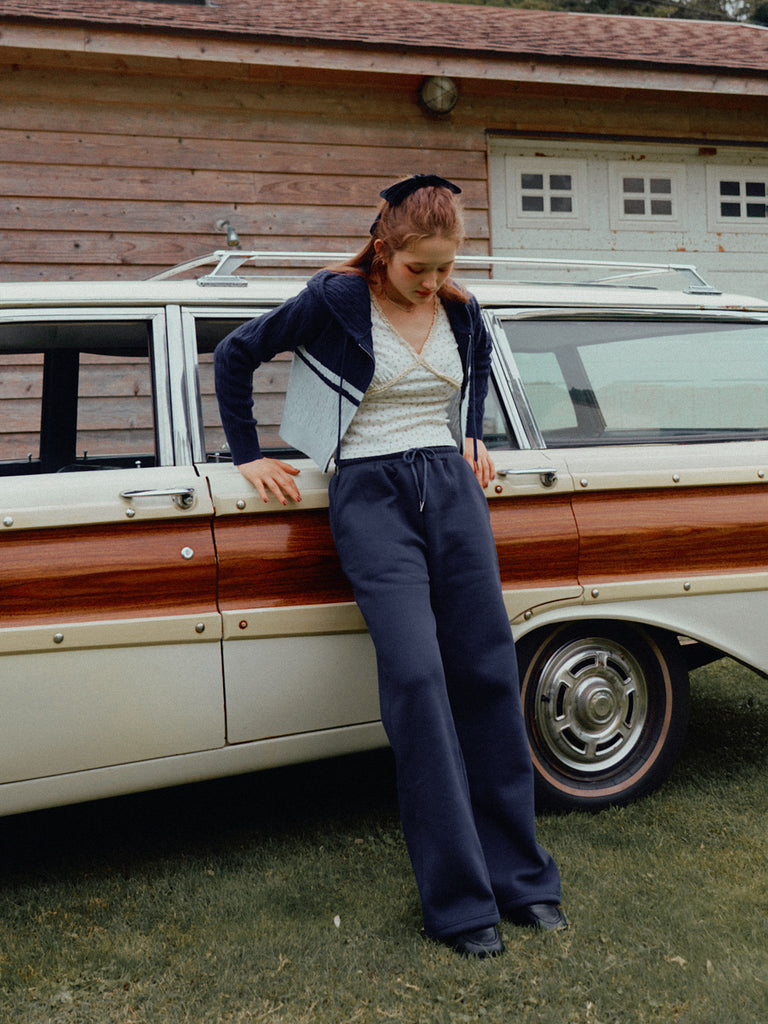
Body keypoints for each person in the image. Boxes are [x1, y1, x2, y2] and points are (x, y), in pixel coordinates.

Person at [214, 174, 567, 957]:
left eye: (446, 266)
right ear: (383, 247)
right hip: (369, 496)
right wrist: (245, 455)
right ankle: (461, 905)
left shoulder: (462, 310)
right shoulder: (334, 299)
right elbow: (236, 355)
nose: (434, 281)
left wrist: (471, 434)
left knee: (487, 673)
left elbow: (473, 374)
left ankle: (522, 881)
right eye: (419, 268)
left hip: (451, 491)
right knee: (416, 679)